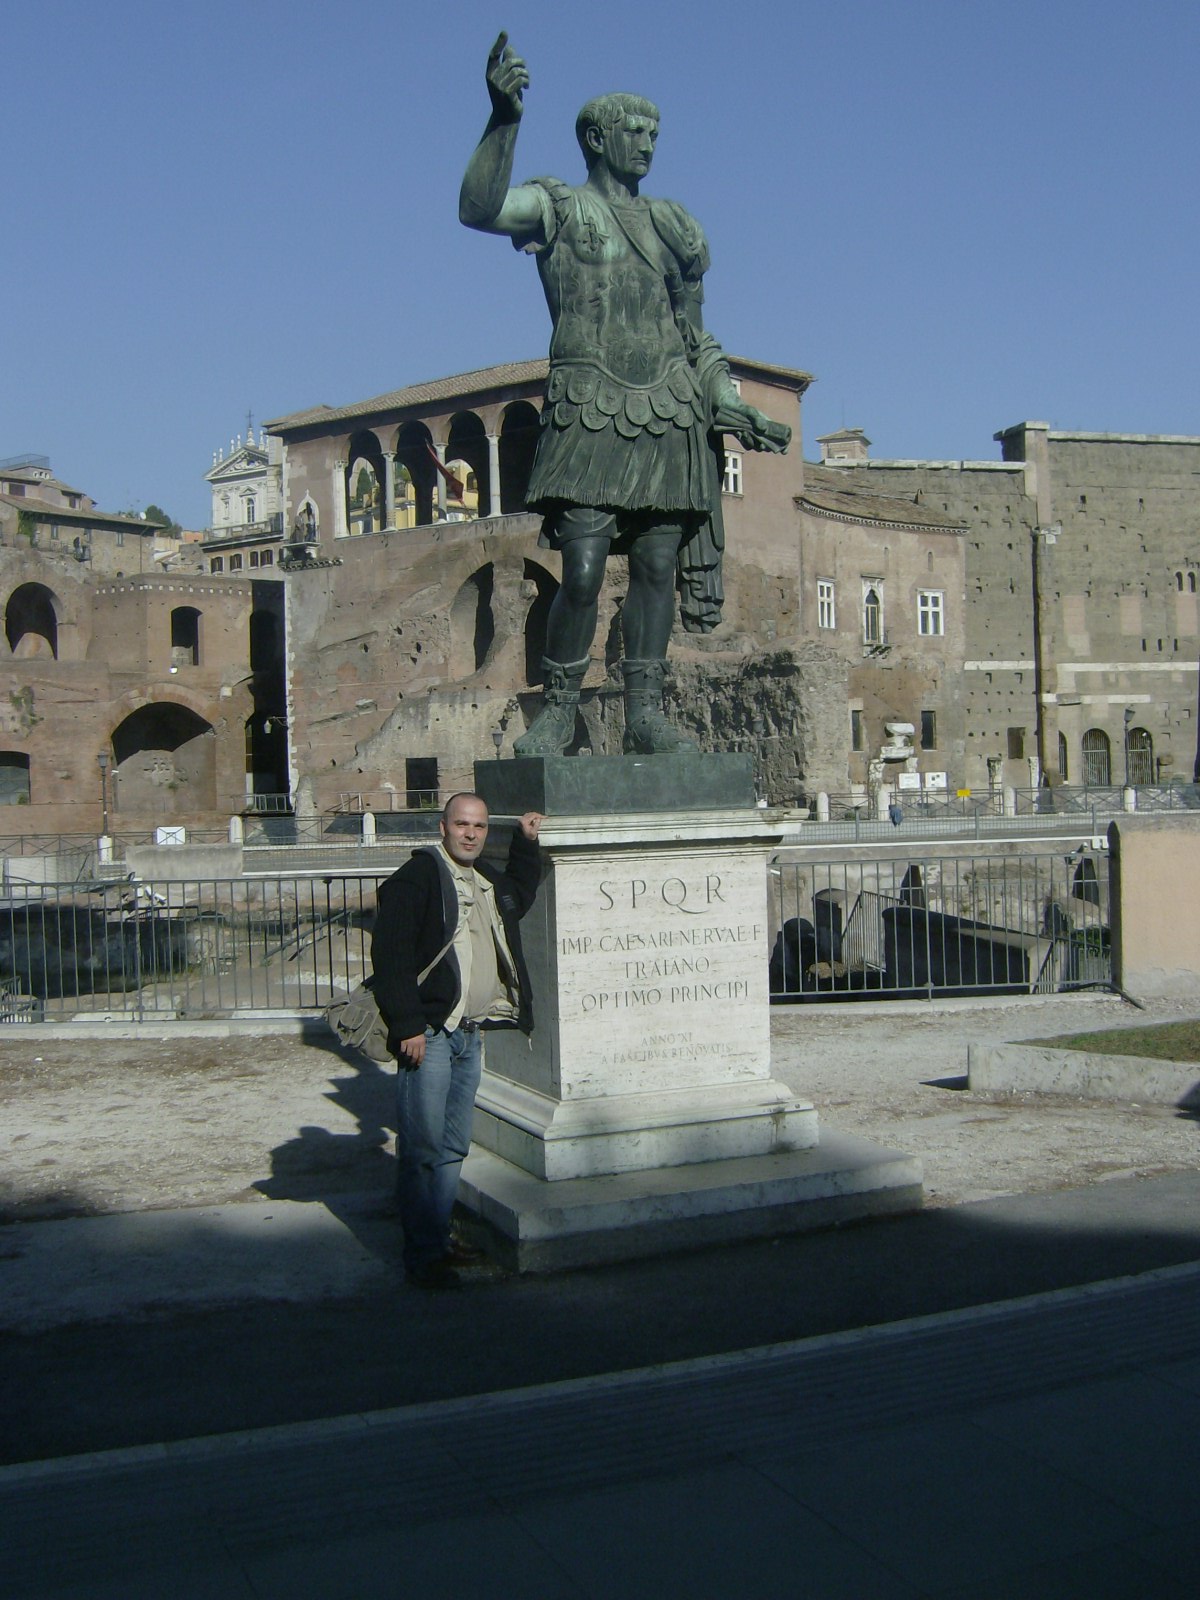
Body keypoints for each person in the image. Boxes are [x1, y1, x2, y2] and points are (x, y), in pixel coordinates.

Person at [459, 33, 790, 757]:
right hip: (590, 407)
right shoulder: (560, 209)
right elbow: (479, 208)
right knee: (579, 570)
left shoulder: (673, 228)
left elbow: (694, 336)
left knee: (656, 570)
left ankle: (645, 710)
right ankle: (558, 711)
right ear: (595, 138)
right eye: (634, 131)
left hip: (669, 411)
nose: (647, 143)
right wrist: (502, 118)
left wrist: (728, 403)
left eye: (655, 133)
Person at [370, 793, 544, 1288]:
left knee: (451, 1146)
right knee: (423, 1148)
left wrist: (526, 845)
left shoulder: (485, 879)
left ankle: (438, 1238)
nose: (471, 834)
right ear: (443, 827)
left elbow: (519, 898)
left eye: (480, 826)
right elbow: (391, 956)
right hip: (429, 1034)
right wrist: (406, 1026)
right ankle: (423, 1256)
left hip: (469, 1034)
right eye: (462, 825)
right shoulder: (417, 879)